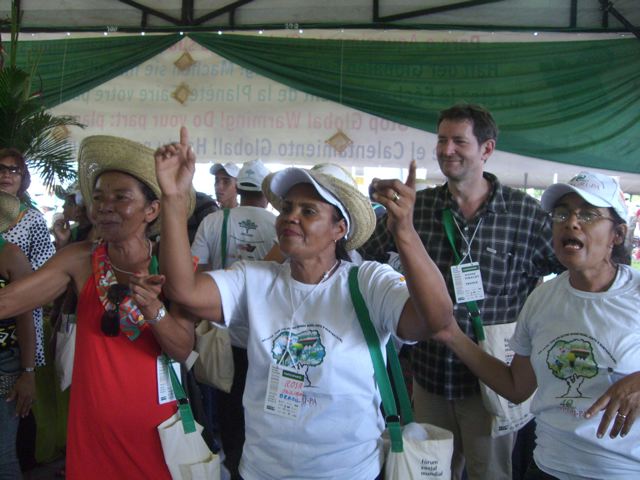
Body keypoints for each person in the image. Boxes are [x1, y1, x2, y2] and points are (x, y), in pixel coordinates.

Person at [155, 127, 453, 480]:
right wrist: (174, 200)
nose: (290, 216)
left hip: (348, 472)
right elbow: (184, 291)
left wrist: (404, 231)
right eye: (287, 208)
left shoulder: (367, 282)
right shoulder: (256, 280)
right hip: (262, 471)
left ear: (339, 228)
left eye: (309, 211)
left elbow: (435, 318)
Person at [359, 103, 562, 480]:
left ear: (486, 149)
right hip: (430, 377)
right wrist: (367, 210)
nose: (446, 149)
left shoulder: (525, 215)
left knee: (491, 474)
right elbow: (359, 254)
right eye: (441, 140)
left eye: (458, 141)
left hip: (493, 382)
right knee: (429, 473)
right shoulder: (418, 209)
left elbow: (571, 278)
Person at [0, 135, 196, 479]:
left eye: (120, 197)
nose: (104, 206)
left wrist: (155, 311)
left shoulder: (174, 268)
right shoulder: (80, 259)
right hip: (91, 431)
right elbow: (9, 302)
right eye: (99, 197)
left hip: (156, 430)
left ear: (152, 210)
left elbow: (183, 348)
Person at [428, 171, 640, 479]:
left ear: (617, 235)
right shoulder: (542, 299)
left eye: (588, 214)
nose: (571, 222)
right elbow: (517, 387)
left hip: (621, 471)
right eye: (562, 213)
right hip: (547, 467)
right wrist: (452, 335)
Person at [191, 158, 276, 479]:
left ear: (239, 188)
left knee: (227, 408)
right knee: (262, 409)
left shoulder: (213, 222)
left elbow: (194, 272)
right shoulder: (280, 226)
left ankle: (230, 462)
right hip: (265, 338)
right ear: (267, 194)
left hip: (222, 334)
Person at [0, 190, 36, 480]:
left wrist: (28, 372)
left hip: (5, 364)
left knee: (3, 456)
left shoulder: (11, 255)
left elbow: (27, 318)